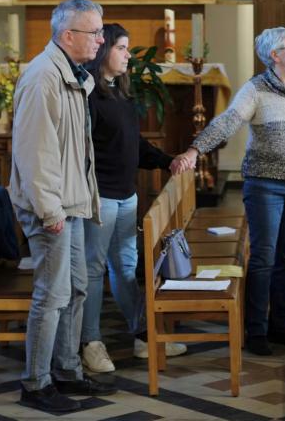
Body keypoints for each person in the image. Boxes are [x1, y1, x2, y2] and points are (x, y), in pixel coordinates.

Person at [174, 27, 285, 356]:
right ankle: (257, 329)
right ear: (275, 56)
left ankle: (283, 325)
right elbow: (227, 122)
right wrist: (194, 150)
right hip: (265, 185)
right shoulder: (256, 89)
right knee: (263, 258)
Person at [9, 0, 116, 413]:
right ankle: (36, 383)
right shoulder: (43, 78)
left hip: (69, 203)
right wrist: (50, 210)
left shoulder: (70, 73)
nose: (101, 39)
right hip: (50, 208)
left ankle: (67, 369)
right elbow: (35, 153)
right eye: (94, 32)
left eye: (101, 31)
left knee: (75, 288)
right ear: (68, 35)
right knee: (51, 295)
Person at [79, 24, 192, 373]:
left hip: (126, 196)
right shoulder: (87, 96)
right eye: (122, 48)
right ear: (103, 51)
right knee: (94, 270)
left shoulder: (121, 93)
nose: (128, 55)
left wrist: (167, 160)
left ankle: (143, 336)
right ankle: (90, 343)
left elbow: (135, 146)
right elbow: (81, 151)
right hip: (99, 196)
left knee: (127, 268)